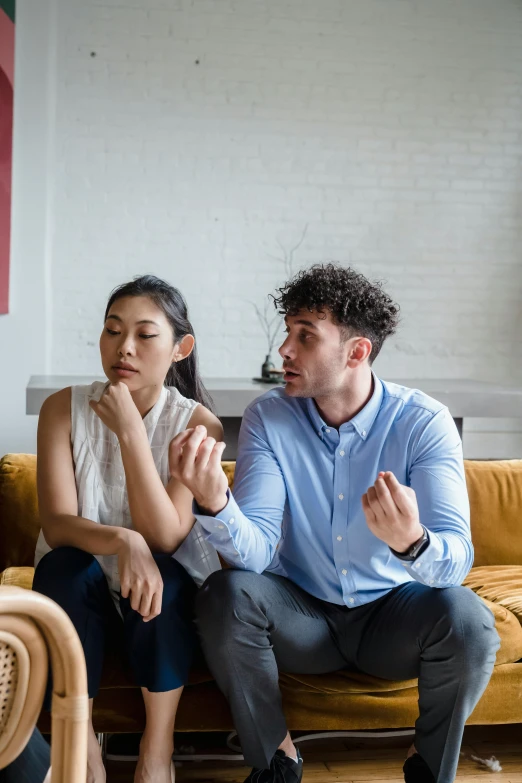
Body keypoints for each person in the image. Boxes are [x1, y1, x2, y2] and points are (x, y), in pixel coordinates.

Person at [169, 264, 500, 783]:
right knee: (224, 594)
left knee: (470, 622)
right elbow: (253, 556)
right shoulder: (268, 418)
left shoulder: (424, 423)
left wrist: (412, 543)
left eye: (305, 336)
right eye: (287, 332)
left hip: (394, 616)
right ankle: (277, 759)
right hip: (301, 616)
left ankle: (430, 768)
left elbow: (455, 562)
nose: (285, 350)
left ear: (356, 352)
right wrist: (215, 503)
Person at [32, 275, 222, 783]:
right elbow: (56, 523)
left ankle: (155, 752)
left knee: (168, 568)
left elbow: (166, 536)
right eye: (113, 331)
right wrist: (122, 539)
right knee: (62, 568)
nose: (125, 348)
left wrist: (132, 433)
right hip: (83, 589)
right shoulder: (61, 409)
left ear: (181, 347)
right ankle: (84, 751)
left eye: (145, 334)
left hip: (160, 602)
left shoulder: (198, 423)